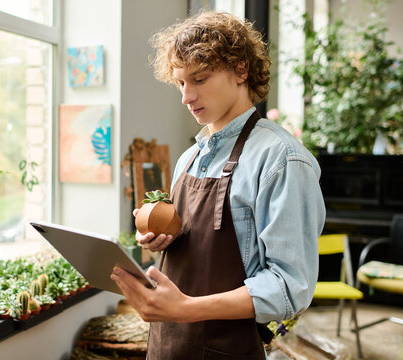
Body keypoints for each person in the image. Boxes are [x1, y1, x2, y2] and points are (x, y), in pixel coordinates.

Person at [111, 11, 326, 359]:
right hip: (169, 345)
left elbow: (290, 288)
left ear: (240, 70)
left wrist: (185, 308)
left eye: (200, 79)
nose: (186, 96)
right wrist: (162, 236)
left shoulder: (281, 160)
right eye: (180, 83)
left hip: (229, 348)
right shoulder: (190, 157)